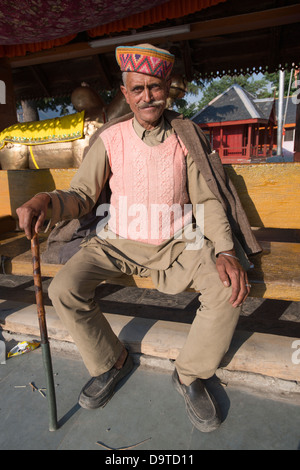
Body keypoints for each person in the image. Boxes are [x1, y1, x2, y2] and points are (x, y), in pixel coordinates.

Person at [17, 44, 261, 433]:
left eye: (155, 87)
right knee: (63, 288)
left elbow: (208, 199)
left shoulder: (186, 136)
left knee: (227, 286)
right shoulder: (110, 139)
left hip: (180, 241)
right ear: (125, 92)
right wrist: (45, 199)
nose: (147, 96)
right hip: (116, 239)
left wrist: (227, 250)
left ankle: (190, 375)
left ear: (168, 87)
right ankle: (111, 361)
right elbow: (81, 196)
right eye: (137, 89)